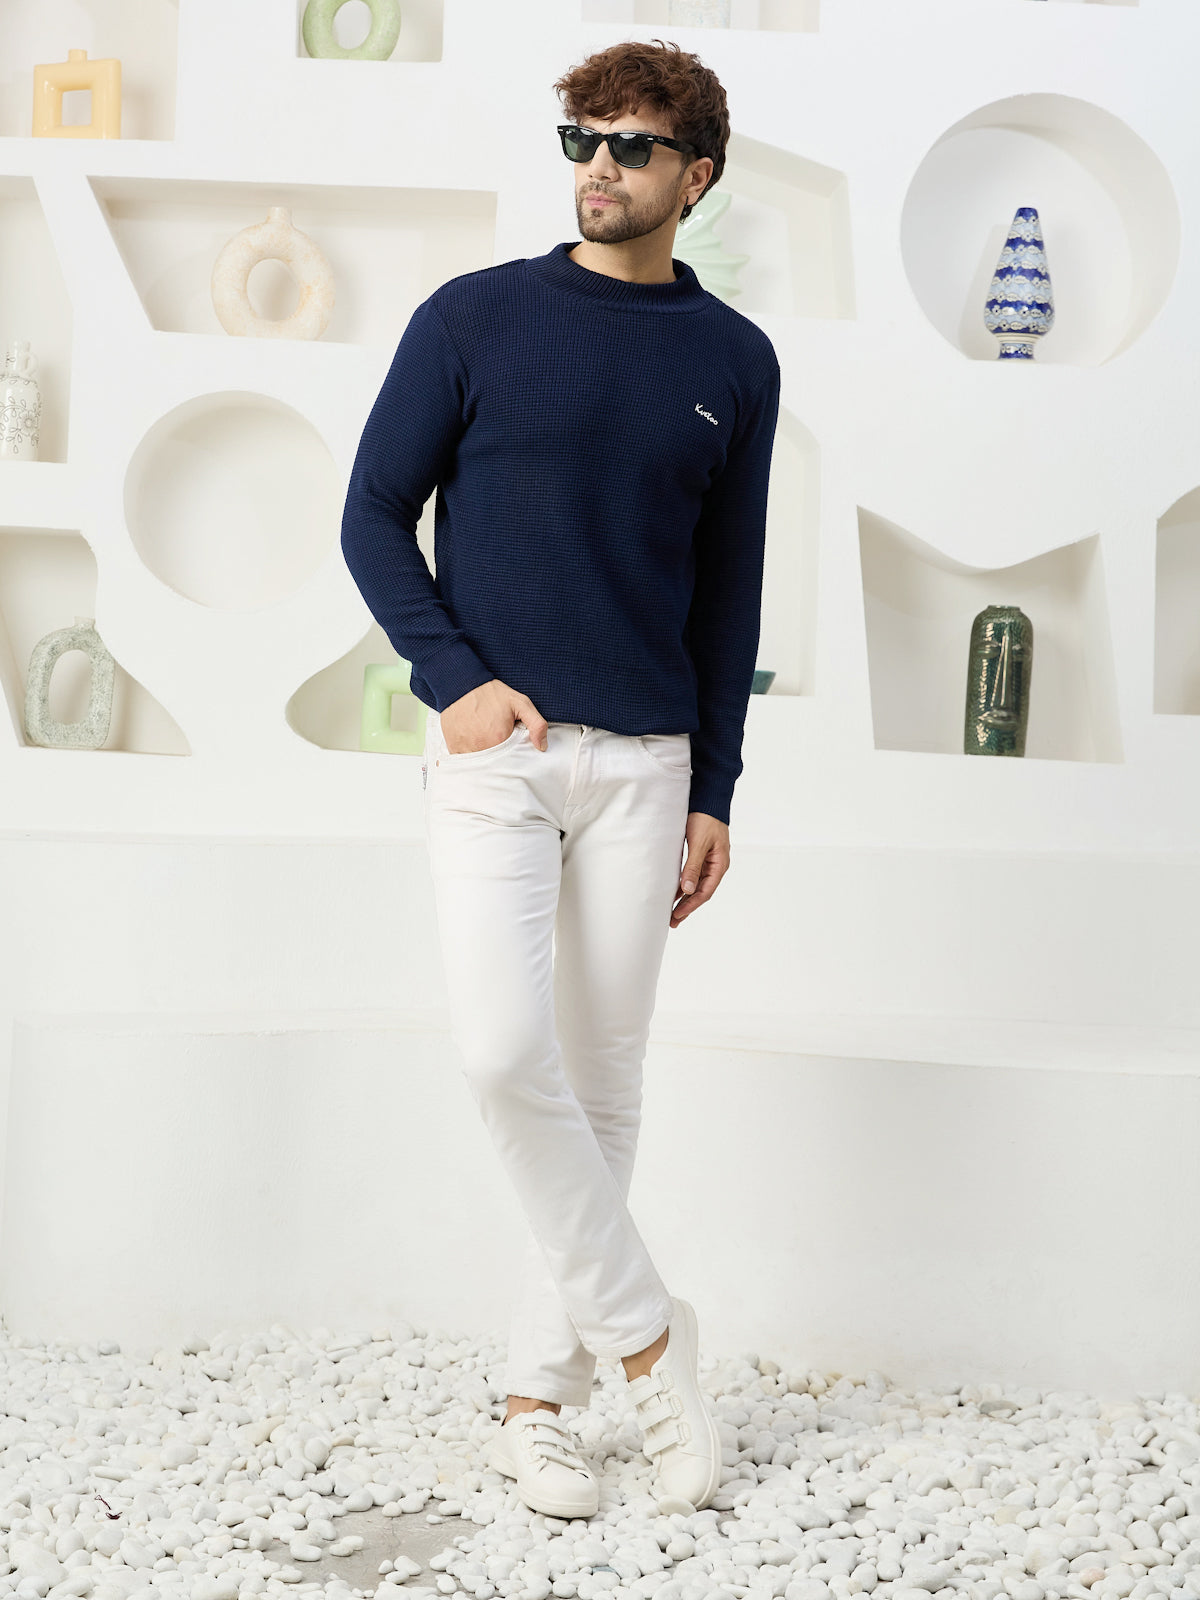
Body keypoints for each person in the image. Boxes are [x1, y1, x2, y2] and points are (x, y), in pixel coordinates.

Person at [340, 36, 781, 1520]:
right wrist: (453, 682)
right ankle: (651, 1344)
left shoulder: (735, 362)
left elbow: (730, 592)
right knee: (499, 1053)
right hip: (500, 755)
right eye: (582, 138)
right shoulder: (473, 318)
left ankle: (539, 1397)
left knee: (601, 1085)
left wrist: (716, 786)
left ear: (694, 175)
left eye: (632, 144)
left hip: (650, 761)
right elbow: (372, 515)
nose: (599, 164)